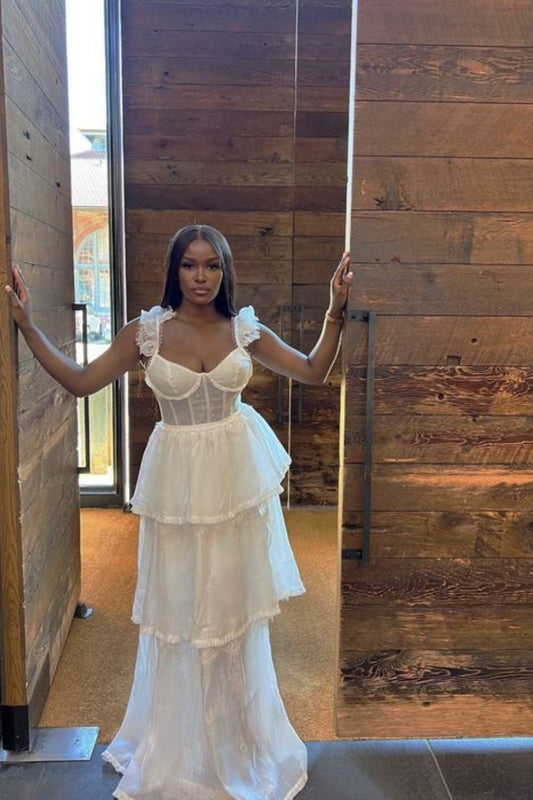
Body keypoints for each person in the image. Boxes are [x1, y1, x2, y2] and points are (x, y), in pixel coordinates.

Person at [5, 224, 353, 800]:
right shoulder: (146, 333)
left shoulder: (244, 330)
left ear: (224, 271)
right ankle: (180, 748)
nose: (200, 276)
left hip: (234, 488)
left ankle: (237, 743)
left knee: (233, 613)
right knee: (182, 613)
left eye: (212, 265)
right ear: (175, 269)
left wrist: (335, 309)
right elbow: (82, 382)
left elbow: (314, 369)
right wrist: (27, 325)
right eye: (190, 265)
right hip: (177, 494)